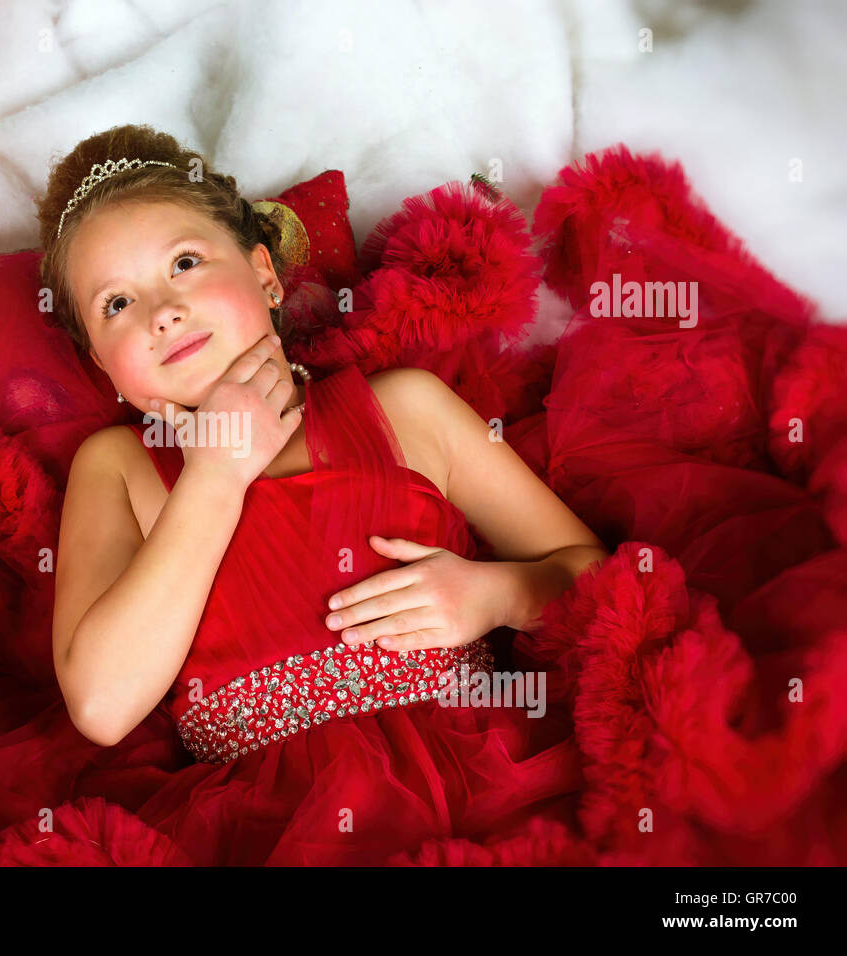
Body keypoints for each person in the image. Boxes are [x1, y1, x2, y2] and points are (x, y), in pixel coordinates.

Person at [38, 123, 608, 864]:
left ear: (266, 276)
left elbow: (597, 575)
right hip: (259, 829)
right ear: (105, 371)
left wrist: (497, 596)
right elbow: (102, 705)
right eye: (116, 304)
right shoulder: (117, 468)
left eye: (184, 262)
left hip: (481, 784)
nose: (162, 310)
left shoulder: (407, 409)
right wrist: (214, 475)